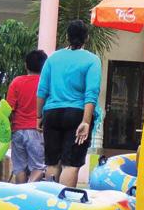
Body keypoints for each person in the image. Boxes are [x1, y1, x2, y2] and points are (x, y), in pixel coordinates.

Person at [37, 20, 101, 188]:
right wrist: (86, 121)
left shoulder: (53, 58)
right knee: (70, 164)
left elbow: (42, 90)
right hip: (77, 114)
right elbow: (91, 93)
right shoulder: (92, 60)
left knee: (52, 162)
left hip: (52, 113)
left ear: (67, 37)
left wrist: (38, 116)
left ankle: (50, 199)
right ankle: (65, 201)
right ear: (86, 38)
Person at [6, 50, 48, 183]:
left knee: (19, 168)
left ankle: (21, 192)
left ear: (26, 65)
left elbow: (8, 109)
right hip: (37, 130)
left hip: (17, 130)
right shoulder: (46, 83)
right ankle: (28, 188)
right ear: (45, 66)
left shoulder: (16, 82)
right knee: (39, 167)